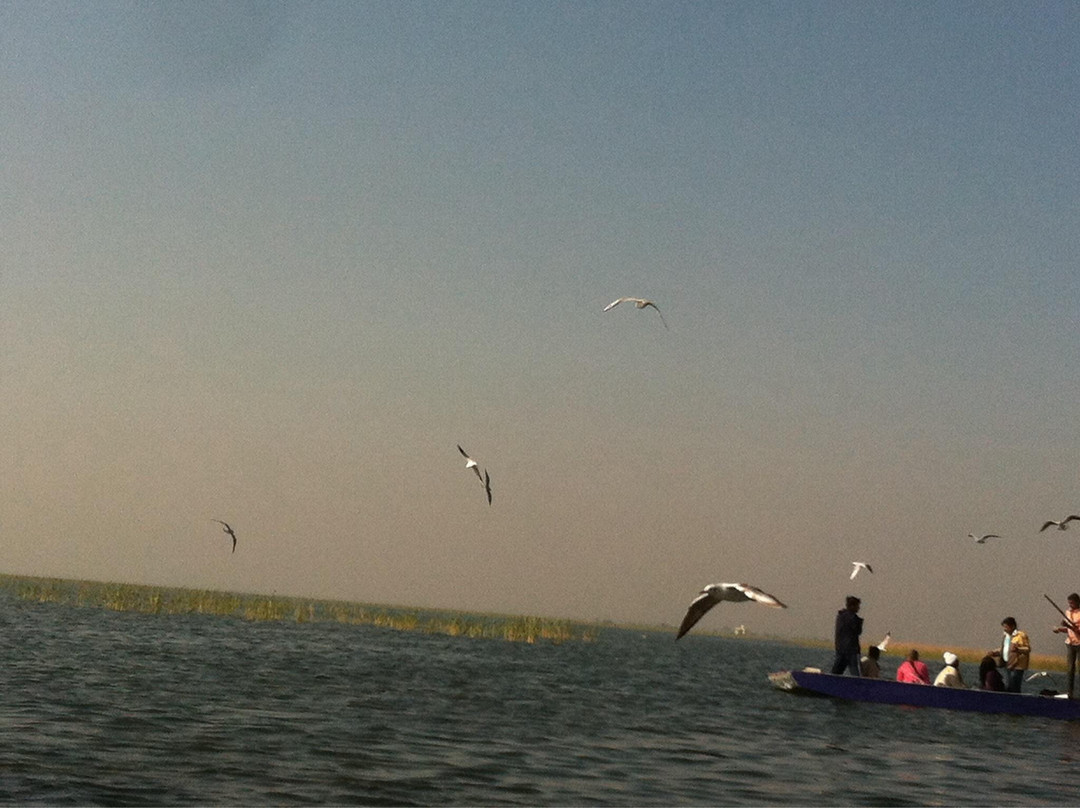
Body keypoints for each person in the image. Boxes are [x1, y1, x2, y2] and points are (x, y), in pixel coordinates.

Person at [989, 616, 1030, 693]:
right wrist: (995, 652)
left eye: (1006, 627)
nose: (1005, 629)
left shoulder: (1021, 636)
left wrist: (1018, 649)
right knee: (1008, 687)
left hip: (1017, 667)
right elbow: (1005, 649)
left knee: (1014, 687)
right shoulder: (1006, 636)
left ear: (1012, 626)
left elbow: (1027, 649)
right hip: (1007, 665)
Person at [1052, 592, 1080, 698]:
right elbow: (1068, 629)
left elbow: (1077, 630)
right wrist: (1059, 629)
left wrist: (1069, 625)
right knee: (1070, 668)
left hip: (1079, 643)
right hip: (1070, 643)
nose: (1070, 605)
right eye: (1069, 603)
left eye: (1072, 603)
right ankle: (1070, 692)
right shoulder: (1068, 612)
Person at [830, 596, 863, 676]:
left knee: (836, 672)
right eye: (857, 606)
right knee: (854, 670)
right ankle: (857, 685)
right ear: (852, 606)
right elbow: (858, 631)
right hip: (850, 650)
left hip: (840, 648)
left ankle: (829, 683)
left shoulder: (841, 616)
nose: (858, 608)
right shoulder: (852, 618)